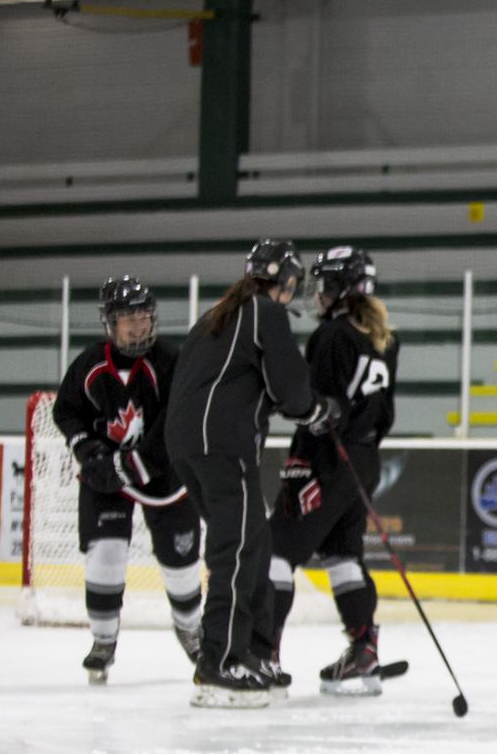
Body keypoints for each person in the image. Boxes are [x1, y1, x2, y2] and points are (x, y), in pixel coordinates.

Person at [164, 240, 342, 708]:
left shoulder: (217, 314)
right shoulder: (264, 312)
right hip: (222, 446)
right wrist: (317, 411)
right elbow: (290, 388)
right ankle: (219, 662)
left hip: (188, 446)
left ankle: (252, 652)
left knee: (253, 540)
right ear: (284, 281)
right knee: (238, 547)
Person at [51, 277, 203, 680]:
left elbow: (178, 420)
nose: (137, 325)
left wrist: (137, 463)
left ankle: (191, 630)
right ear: (109, 322)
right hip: (107, 478)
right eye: (127, 318)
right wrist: (89, 450)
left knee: (182, 562)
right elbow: (67, 411)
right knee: (105, 555)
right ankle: (103, 641)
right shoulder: (89, 364)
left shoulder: (171, 361)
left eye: (143, 315)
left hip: (165, 476)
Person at [265, 246, 399, 696]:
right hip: (363, 461)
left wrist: (304, 466)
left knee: (274, 553)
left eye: (324, 285)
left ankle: (263, 655)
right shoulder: (385, 340)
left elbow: (316, 409)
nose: (318, 294)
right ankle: (364, 652)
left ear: (342, 290)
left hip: (325, 459)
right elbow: (384, 416)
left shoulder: (331, 337)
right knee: (343, 556)